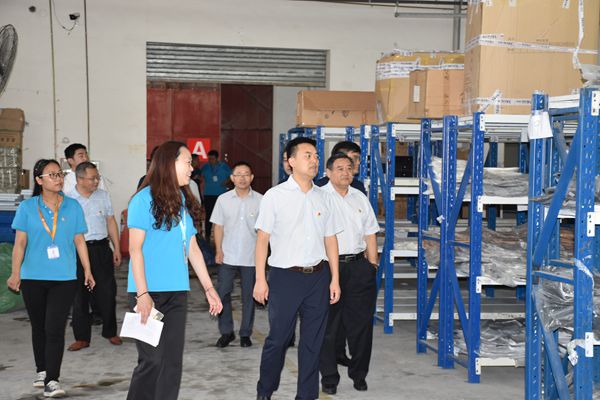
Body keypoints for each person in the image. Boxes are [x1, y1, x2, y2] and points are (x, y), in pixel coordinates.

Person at [127, 141, 222, 400]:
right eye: (188, 162)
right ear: (170, 163)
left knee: (172, 362)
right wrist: (142, 294)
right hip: (148, 293)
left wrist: (209, 288)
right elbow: (135, 250)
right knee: (152, 361)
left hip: (177, 292)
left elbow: (192, 247)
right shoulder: (142, 200)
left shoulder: (179, 199)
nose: (192, 168)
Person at [254, 137, 342, 400]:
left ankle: (306, 396)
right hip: (285, 278)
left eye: (316, 155)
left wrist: (335, 279)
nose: (314, 160)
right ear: (291, 161)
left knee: (313, 342)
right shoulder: (275, 196)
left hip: (318, 277)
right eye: (307, 155)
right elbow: (262, 240)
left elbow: (330, 239)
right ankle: (265, 390)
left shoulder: (324, 197)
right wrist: (260, 279)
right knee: (279, 339)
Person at [6, 159, 95, 398]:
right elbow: (20, 243)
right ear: (39, 180)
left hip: (64, 277)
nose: (58, 178)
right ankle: (42, 370)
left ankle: (52, 380)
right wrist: (15, 272)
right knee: (39, 327)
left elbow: (79, 240)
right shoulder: (27, 208)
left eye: (60, 174)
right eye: (52, 175)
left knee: (55, 328)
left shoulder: (73, 207)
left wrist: (87, 270)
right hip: (32, 277)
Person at [318, 153, 379, 395]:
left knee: (361, 326)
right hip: (327, 268)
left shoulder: (360, 197)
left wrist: (372, 264)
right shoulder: (319, 197)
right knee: (327, 327)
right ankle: (329, 378)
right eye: (340, 168)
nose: (345, 172)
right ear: (328, 172)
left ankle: (359, 374)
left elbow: (370, 232)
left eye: (349, 168)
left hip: (358, 267)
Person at [315, 140, 366, 366]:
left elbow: (366, 224)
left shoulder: (358, 188)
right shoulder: (318, 189)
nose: (351, 167)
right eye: (348, 161)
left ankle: (340, 352)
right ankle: (326, 358)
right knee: (329, 314)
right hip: (327, 261)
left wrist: (371, 262)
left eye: (355, 161)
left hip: (354, 261)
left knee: (348, 314)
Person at [66, 162, 122, 352]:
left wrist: (116, 248)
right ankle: (82, 337)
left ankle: (110, 331)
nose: (96, 181)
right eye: (92, 178)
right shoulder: (68, 200)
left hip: (101, 249)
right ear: (79, 179)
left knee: (107, 292)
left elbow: (110, 221)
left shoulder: (103, 196)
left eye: (97, 177)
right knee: (79, 295)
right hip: (77, 252)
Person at [210, 161, 262, 348]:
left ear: (251, 178)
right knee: (223, 293)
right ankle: (227, 332)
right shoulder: (223, 200)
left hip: (251, 256)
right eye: (238, 174)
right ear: (232, 178)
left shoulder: (261, 200)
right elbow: (218, 227)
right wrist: (218, 250)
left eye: (246, 174)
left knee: (249, 297)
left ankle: (245, 334)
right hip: (227, 255)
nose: (242, 178)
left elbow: (264, 232)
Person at [199, 150, 232, 240]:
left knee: (222, 215)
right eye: (209, 159)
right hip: (208, 194)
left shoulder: (224, 166)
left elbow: (232, 175)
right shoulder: (205, 166)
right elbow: (200, 176)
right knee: (209, 215)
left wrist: (226, 182)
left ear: (217, 158)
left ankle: (224, 235)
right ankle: (207, 235)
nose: (210, 161)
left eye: (212, 159)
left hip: (220, 194)